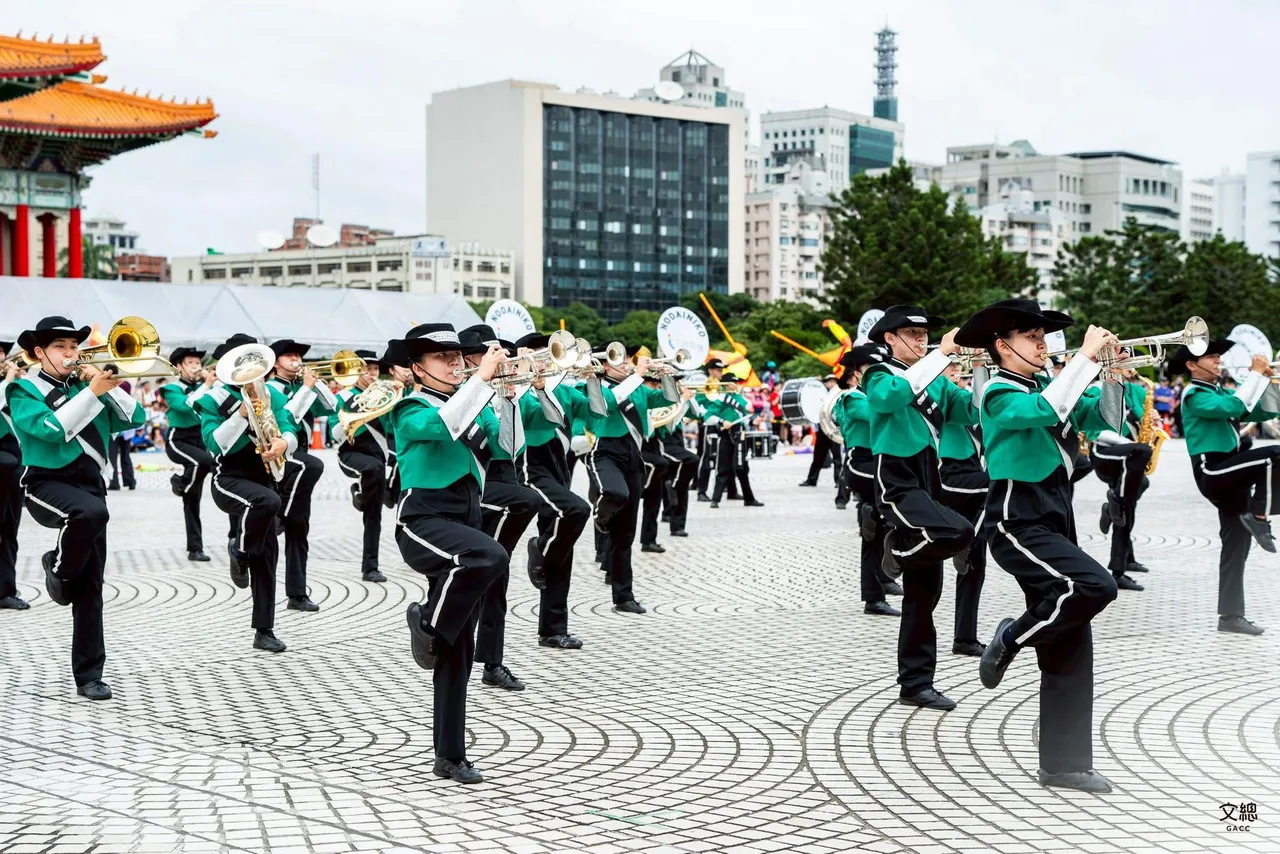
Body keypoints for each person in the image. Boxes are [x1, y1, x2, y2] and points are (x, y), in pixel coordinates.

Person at [957, 299, 1121, 794]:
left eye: (1044, 336)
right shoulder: (998, 393)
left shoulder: (1049, 387)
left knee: (1072, 638)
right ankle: (1010, 637)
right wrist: (1085, 360)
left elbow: (1109, 420)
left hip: (1056, 517)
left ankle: (1064, 763)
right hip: (1015, 520)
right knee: (1096, 585)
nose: (1043, 344)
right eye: (1032, 336)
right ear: (1002, 347)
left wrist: (1111, 371)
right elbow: (1045, 409)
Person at [6, 316, 147, 698]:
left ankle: (89, 675)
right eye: (59, 348)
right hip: (44, 482)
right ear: (39, 353)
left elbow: (136, 418)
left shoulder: (89, 384)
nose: (70, 354)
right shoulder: (22, 390)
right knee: (91, 514)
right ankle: (57, 569)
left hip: (91, 485)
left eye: (74, 347)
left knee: (92, 587)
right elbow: (51, 429)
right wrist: (91, 394)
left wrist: (107, 385)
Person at [393, 322, 509, 784]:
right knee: (490, 556)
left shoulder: (472, 402)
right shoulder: (408, 408)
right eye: (444, 358)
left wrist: (505, 392)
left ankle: (449, 754)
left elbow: (510, 447)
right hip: (423, 520)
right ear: (419, 369)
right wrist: (481, 380)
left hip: (465, 522)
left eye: (459, 357)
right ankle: (425, 621)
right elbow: (445, 425)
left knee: (457, 652)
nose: (456, 364)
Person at [861, 305, 977, 711]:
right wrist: (940, 357)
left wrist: (984, 371)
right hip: (896, 474)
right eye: (911, 333)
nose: (922, 339)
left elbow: (973, 411)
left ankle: (916, 683)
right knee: (959, 532)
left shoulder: (937, 381)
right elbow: (889, 399)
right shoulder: (879, 374)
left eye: (925, 334)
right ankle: (895, 548)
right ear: (890, 338)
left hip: (930, 474)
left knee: (924, 594)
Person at [1169, 339, 1279, 636]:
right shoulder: (1194, 394)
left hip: (1233, 470)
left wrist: (1268, 381)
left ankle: (1230, 617)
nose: (1219, 360)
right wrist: (1255, 375)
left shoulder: (1219, 391)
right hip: (1213, 469)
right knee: (1275, 455)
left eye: (1219, 356)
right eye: (1212, 357)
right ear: (1192, 365)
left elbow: (1263, 413)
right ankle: (1260, 517)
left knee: (1236, 546)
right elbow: (1235, 405)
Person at [198, 333, 296, 653]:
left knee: (267, 555)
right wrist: (241, 415)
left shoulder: (274, 395)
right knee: (268, 502)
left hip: (264, 477)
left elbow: (289, 428)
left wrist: (284, 443)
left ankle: (264, 630)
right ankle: (238, 550)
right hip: (229, 477)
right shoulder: (212, 399)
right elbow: (215, 444)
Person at [458, 324, 541, 692]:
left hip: (503, 477)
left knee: (498, 577)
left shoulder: (504, 391)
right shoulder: (462, 393)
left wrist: (509, 399)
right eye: (489, 353)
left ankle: (493, 662)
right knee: (466, 578)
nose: (499, 358)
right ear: (470, 359)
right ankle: (445, 642)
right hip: (474, 484)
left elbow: (511, 447)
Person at [584, 342, 681, 613]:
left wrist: (667, 375)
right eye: (619, 358)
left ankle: (623, 596)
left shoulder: (638, 387)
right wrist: (638, 374)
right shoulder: (597, 386)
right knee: (616, 494)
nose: (626, 362)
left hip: (633, 455)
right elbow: (607, 404)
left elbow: (669, 400)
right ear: (604, 364)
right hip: (605, 451)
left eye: (627, 357)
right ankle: (600, 517)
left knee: (625, 533)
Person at [514, 332, 592, 649]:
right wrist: (526, 378)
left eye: (551, 353)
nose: (548, 360)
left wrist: (594, 378)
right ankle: (540, 551)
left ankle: (553, 629)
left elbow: (598, 412)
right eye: (541, 354)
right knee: (576, 509)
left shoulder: (567, 390)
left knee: (564, 548)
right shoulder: (519, 391)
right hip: (531, 467)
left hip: (560, 468)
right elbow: (530, 415)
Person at [266, 339, 337, 613]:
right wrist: (306, 388)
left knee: (300, 530)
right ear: (275, 363)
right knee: (315, 465)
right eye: (290, 356)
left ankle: (297, 594)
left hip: (300, 463)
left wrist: (315, 385)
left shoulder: (302, 387)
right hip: (281, 458)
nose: (296, 360)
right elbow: (291, 416)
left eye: (298, 356)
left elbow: (330, 407)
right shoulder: (270, 388)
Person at [832, 346, 899, 618]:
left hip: (876, 460)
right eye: (870, 373)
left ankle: (882, 579)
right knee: (872, 528)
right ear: (853, 377)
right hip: (861, 463)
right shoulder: (851, 398)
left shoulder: (864, 395)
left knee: (884, 524)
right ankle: (873, 597)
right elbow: (878, 415)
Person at [1083, 362, 1153, 592]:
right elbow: (1095, 432)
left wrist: (1152, 422)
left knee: (1131, 496)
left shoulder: (1138, 391)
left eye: (1129, 363)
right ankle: (1118, 570)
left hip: (1130, 456)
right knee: (1125, 504)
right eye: (1122, 363)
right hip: (1105, 454)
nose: (1129, 367)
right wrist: (1133, 445)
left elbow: (1143, 420)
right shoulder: (1096, 389)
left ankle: (1126, 556)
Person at [937, 361, 989, 657]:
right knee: (1001, 485)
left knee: (976, 561)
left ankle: (965, 637)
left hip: (971, 472)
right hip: (949, 474)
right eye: (951, 368)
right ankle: (965, 542)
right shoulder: (934, 394)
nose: (957, 373)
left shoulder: (962, 397)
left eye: (960, 368)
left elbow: (977, 407)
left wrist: (981, 366)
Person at [331, 349, 396, 583]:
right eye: (367, 369)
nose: (372, 374)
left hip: (377, 458)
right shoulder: (343, 397)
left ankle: (370, 567)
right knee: (372, 470)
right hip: (351, 453)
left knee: (373, 515)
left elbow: (393, 428)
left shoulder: (385, 395)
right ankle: (358, 490)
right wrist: (357, 411)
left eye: (375, 369)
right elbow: (334, 434)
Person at [158, 347, 216, 562]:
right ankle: (181, 483)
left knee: (193, 500)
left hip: (199, 438)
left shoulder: (204, 385)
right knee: (204, 462)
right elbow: (183, 407)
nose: (195, 367)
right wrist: (207, 386)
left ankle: (195, 548)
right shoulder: (171, 388)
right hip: (178, 439)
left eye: (197, 363)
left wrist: (212, 383)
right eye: (190, 363)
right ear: (179, 366)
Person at [703, 371, 763, 510]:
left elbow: (746, 412)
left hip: (739, 435)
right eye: (733, 383)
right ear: (726, 384)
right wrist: (722, 421)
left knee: (742, 469)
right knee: (723, 468)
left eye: (736, 383)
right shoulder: (719, 398)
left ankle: (749, 499)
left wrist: (754, 421)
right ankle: (715, 499)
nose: (736, 385)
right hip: (726, 435)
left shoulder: (738, 397)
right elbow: (707, 417)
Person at [0, 347, 28, 610]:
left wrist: (18, 381)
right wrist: (7, 381)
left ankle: (6, 590)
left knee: (9, 527)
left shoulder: (13, 385)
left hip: (12, 457)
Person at [800, 374, 842, 489]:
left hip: (834, 428)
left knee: (837, 457)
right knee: (818, 456)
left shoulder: (840, 395)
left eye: (833, 382)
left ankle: (839, 481)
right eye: (829, 382)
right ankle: (811, 480)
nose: (831, 384)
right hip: (823, 429)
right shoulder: (820, 396)